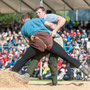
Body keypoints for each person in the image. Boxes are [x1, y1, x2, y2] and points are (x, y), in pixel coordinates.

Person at [12, 13, 90, 85]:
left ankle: (10, 74)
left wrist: (34, 46)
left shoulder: (23, 28)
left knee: (24, 59)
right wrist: (55, 31)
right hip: (49, 40)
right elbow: (51, 25)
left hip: (37, 44)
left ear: (23, 20)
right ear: (29, 18)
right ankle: (83, 68)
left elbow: (28, 42)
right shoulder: (38, 20)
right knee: (66, 56)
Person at [26, 7, 66, 85]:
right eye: (36, 13)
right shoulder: (37, 20)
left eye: (39, 12)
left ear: (44, 12)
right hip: (45, 41)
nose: (38, 14)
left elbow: (63, 20)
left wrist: (55, 30)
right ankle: (26, 76)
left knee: (52, 60)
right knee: (35, 57)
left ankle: (54, 82)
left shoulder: (48, 16)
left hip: (55, 39)